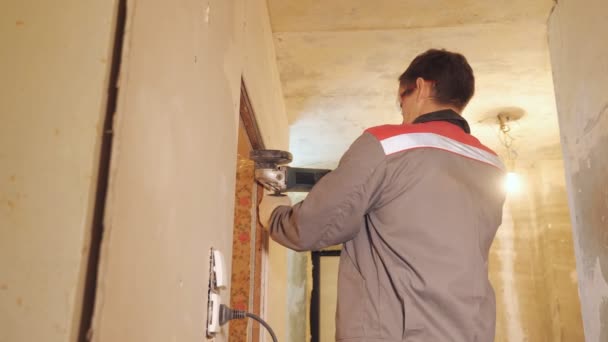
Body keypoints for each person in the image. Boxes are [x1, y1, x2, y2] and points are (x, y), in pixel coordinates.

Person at [259, 49, 506, 342]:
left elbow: (314, 226)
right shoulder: (493, 166)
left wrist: (275, 214)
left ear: (422, 87)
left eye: (402, 98)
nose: (402, 111)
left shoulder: (388, 144)